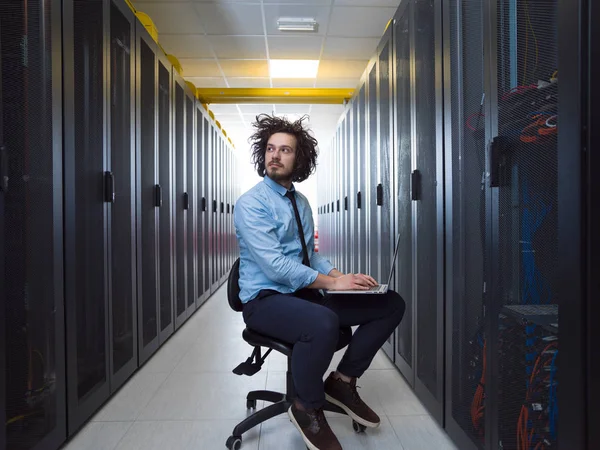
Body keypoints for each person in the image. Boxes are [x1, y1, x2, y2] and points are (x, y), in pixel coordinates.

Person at [233, 114, 405, 450]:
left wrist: (343, 277)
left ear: (298, 159)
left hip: (300, 295)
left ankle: (342, 381)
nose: (274, 155)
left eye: (284, 150)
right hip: (264, 301)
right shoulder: (251, 204)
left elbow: (307, 256)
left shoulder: (300, 203)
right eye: (270, 148)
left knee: (389, 304)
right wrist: (330, 284)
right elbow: (276, 266)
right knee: (324, 322)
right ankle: (306, 406)